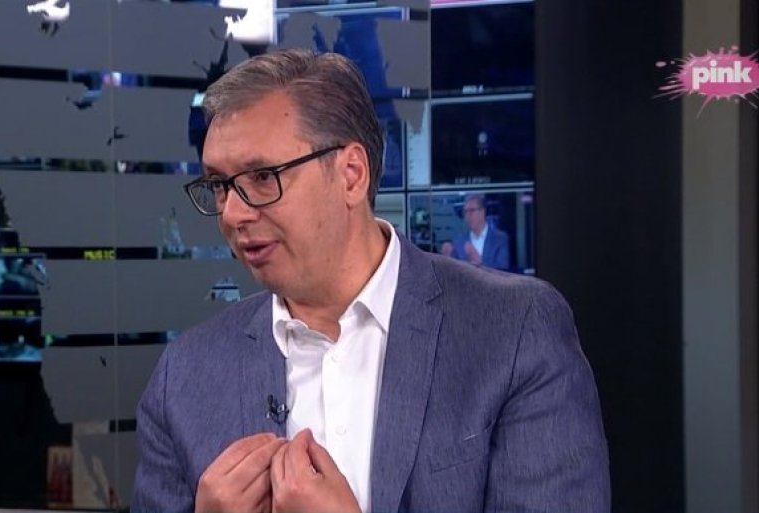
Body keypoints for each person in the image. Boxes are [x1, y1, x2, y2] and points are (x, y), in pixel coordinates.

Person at [132, 49, 609, 513]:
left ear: (351, 174)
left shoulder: (514, 331)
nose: (233, 214)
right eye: (219, 185)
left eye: (262, 177)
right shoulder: (185, 376)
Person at [439, 194, 510, 270]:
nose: (467, 216)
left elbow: (503, 270)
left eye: (471, 211)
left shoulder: (499, 238)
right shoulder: (459, 240)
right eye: (465, 212)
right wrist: (447, 258)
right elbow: (453, 270)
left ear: (482, 211)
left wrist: (480, 262)